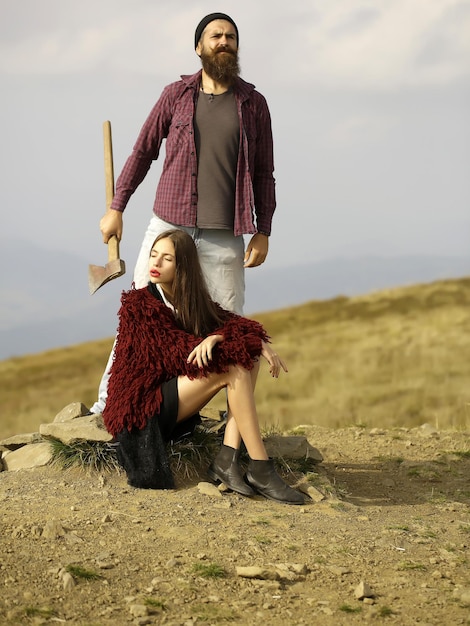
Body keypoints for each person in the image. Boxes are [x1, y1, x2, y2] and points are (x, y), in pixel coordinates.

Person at [90, 12, 276, 414]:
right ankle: (107, 406)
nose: (223, 41)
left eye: (230, 36)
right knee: (140, 313)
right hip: (168, 226)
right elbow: (142, 151)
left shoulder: (254, 104)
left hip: (226, 233)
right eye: (215, 36)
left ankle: (233, 418)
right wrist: (116, 207)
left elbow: (264, 172)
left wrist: (264, 230)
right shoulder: (175, 95)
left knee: (228, 321)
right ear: (199, 47)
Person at [103, 230, 304, 506]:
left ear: (182, 265)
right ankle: (261, 469)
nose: (156, 263)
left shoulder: (189, 301)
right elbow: (180, 354)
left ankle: (228, 459)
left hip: (167, 399)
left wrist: (253, 340)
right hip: (141, 410)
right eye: (153, 255)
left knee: (248, 357)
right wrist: (220, 338)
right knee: (234, 365)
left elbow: (229, 321)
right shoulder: (139, 305)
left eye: (167, 258)